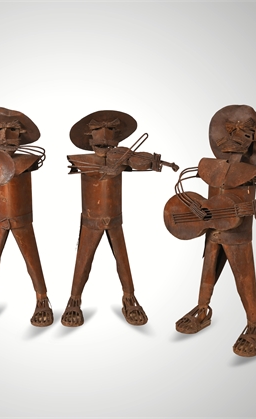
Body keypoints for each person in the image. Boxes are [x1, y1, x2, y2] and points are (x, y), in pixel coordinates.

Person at [164, 105, 256, 357]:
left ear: (252, 141)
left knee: (245, 278)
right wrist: (194, 206)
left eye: (244, 135)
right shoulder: (211, 167)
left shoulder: (251, 173)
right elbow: (181, 182)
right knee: (207, 271)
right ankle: (202, 310)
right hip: (211, 229)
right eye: (231, 132)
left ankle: (254, 326)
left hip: (238, 233)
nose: (235, 139)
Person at [61, 110, 178, 327]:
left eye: (111, 130)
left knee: (123, 261)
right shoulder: (83, 161)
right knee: (83, 261)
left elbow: (140, 163)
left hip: (115, 219)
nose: (104, 137)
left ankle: (129, 297)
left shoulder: (122, 158)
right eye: (98, 130)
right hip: (90, 220)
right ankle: (74, 299)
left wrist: (154, 163)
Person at [0, 107, 53, 327]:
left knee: (32, 261)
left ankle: (42, 298)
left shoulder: (27, 161)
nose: (5, 136)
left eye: (12, 130)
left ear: (21, 134)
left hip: (22, 219)